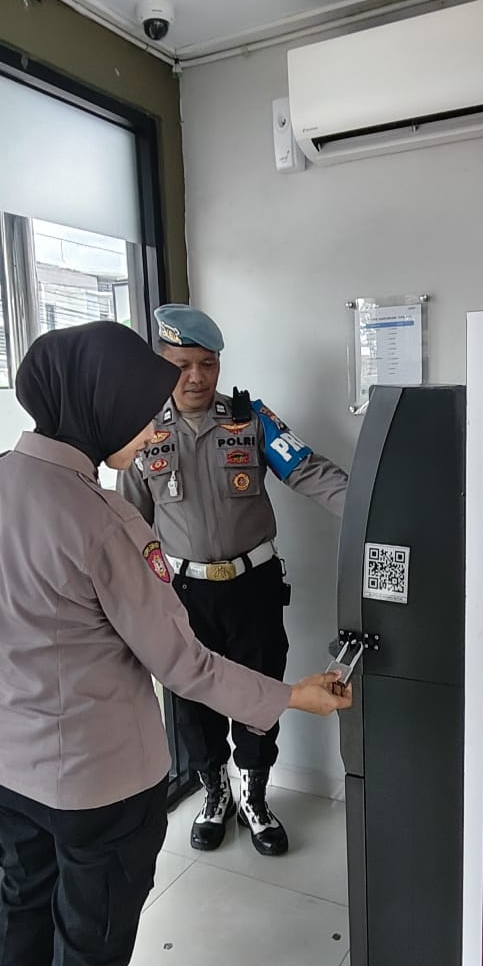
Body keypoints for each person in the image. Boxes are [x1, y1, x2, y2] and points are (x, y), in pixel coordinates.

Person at [0, 321, 351, 966]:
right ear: (97, 408)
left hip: (8, 760)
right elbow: (184, 665)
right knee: (92, 934)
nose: (150, 423)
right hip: (95, 776)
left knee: (23, 902)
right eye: (138, 408)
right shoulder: (103, 520)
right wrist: (291, 697)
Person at [118, 304, 348, 856]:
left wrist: (374, 507)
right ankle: (215, 794)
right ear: (161, 364)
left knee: (261, 692)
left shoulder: (251, 420)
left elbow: (309, 471)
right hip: (182, 595)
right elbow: (129, 526)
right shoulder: (143, 433)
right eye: (182, 365)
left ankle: (255, 798)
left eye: (208, 363)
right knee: (191, 704)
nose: (197, 377)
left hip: (252, 588)